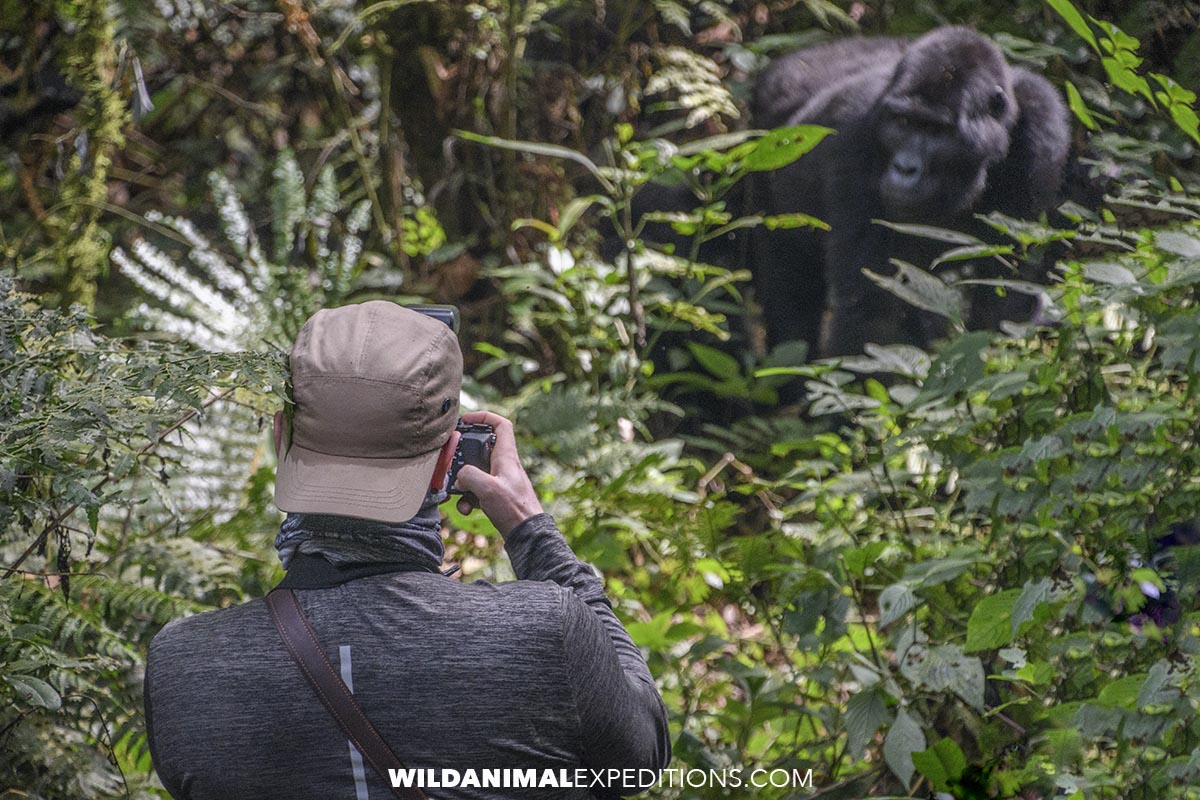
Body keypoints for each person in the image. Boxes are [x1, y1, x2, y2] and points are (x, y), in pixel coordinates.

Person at [144, 300, 672, 799]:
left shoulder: (182, 666)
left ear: (280, 437)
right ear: (449, 461)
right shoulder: (545, 630)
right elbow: (643, 749)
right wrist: (529, 528)